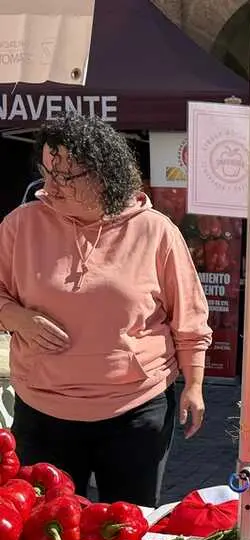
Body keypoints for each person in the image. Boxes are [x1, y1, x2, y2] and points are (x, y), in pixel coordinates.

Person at [0, 113, 211, 507]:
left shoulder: (154, 229)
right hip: (43, 408)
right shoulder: (19, 226)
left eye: (67, 176)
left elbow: (190, 316)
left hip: (135, 409)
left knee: (130, 528)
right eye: (47, 171)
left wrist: (195, 385)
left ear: (103, 174)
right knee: (48, 531)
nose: (52, 185)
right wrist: (15, 317)